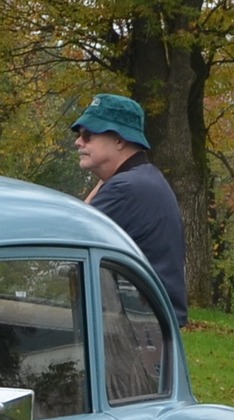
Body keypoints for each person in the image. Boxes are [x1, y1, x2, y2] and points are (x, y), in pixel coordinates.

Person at [71, 93, 187, 324]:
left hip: (141, 326)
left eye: (88, 135)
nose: (78, 142)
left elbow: (67, 238)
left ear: (119, 140)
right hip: (148, 318)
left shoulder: (127, 189)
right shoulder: (141, 178)